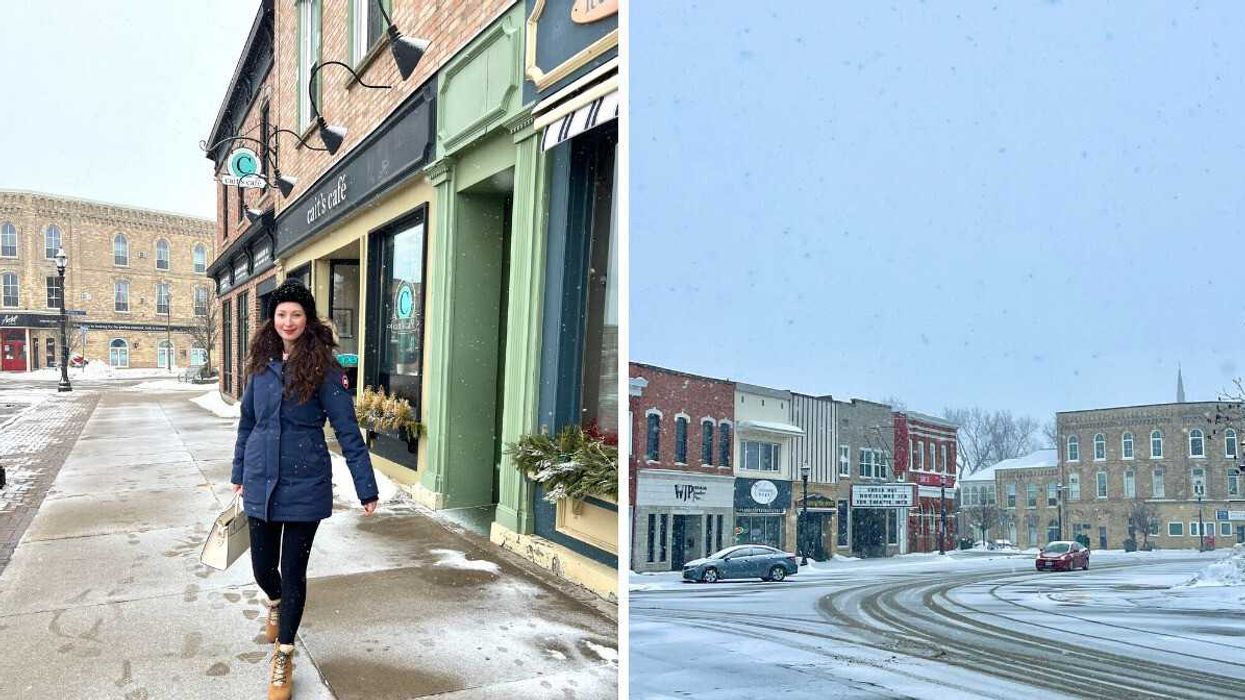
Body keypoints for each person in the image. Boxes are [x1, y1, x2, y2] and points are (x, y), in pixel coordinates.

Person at [230, 279, 379, 700]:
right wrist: (239, 471)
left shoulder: (324, 370)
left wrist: (365, 486)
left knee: (293, 570)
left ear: (307, 318)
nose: (288, 321)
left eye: (296, 314)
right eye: (281, 314)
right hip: (260, 480)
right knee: (263, 569)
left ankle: (285, 653)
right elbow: (247, 424)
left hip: (305, 483)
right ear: (271, 319)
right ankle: (275, 602)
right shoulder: (259, 365)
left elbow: (348, 431)